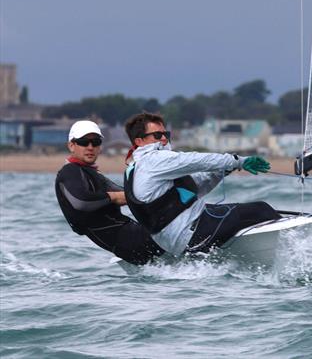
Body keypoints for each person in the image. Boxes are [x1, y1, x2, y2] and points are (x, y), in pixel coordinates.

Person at [123, 112, 279, 256]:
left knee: (236, 212)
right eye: (157, 135)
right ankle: (292, 251)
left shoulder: (137, 168)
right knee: (261, 209)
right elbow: (198, 160)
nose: (164, 138)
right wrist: (239, 161)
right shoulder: (153, 160)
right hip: (191, 233)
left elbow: (197, 185)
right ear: (139, 141)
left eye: (166, 134)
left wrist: (225, 169)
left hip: (179, 241)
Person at [55, 120, 164, 265]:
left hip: (133, 240)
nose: (90, 147)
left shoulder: (90, 173)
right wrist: (115, 197)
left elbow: (128, 194)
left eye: (95, 142)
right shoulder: (70, 171)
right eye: (84, 142)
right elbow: (81, 202)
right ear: (71, 145)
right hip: (131, 243)